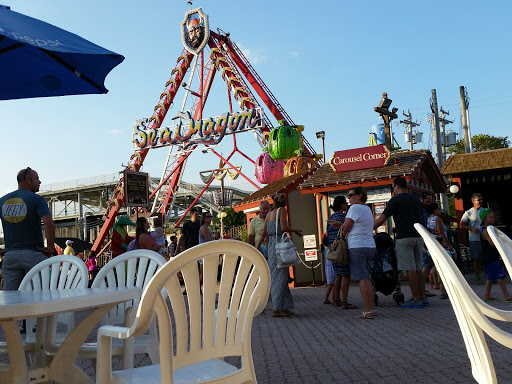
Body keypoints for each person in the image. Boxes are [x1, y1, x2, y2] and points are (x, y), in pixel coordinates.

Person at [374, 177, 427, 309]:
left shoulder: (395, 200)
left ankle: (415, 299)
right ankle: (423, 297)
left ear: (397, 187)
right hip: (417, 236)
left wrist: (367, 229)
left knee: (410, 268)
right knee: (418, 267)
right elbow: (420, 218)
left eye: (393, 188)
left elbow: (382, 219)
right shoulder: (415, 199)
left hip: (404, 238)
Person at [0, 167, 55, 291]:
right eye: (37, 179)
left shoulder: (2, 201)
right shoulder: (37, 199)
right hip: (34, 255)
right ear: (28, 181)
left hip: (11, 256)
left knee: (11, 297)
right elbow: (49, 223)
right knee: (39, 296)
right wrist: (50, 247)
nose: (39, 182)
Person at [256, 193, 303, 318]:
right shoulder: (282, 211)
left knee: (278, 276)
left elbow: (263, 234)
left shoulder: (269, 214)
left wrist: (257, 247)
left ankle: (284, 306)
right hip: (280, 245)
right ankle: (276, 309)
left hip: (271, 247)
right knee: (281, 278)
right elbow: (283, 227)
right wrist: (295, 230)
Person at [341, 187, 376, 319]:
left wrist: (341, 226)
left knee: (362, 278)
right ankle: (371, 308)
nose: (348, 198)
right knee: (367, 277)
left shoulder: (354, 208)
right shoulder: (367, 209)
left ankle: (368, 310)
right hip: (369, 245)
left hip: (357, 246)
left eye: (350, 195)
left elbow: (347, 227)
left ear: (359, 195)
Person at [326, 196, 355, 309]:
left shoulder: (330, 217)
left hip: (333, 250)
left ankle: (335, 299)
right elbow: (348, 229)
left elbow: (328, 234)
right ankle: (345, 301)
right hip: (343, 249)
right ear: (342, 205)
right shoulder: (344, 217)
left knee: (337, 275)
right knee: (345, 275)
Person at [479, 209, 512, 302]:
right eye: (490, 217)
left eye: (493, 216)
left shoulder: (490, 229)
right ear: (484, 219)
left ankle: (487, 295)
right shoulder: (485, 231)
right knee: (500, 276)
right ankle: (506, 296)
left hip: (489, 257)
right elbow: (492, 243)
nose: (493, 218)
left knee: (491, 277)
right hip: (490, 257)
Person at [426, 202, 454, 299]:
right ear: (435, 210)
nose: (440, 211)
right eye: (438, 209)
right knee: (443, 266)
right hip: (440, 243)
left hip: (432, 243)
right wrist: (449, 245)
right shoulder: (437, 219)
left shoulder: (428, 219)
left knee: (434, 265)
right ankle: (443, 287)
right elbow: (441, 232)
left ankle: (435, 283)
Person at [460, 193, 484, 284]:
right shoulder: (468, 212)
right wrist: (471, 228)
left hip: (484, 237)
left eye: (481, 199)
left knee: (486, 257)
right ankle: (477, 277)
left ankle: (490, 275)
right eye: (479, 200)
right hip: (474, 238)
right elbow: (461, 225)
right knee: (476, 259)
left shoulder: (485, 210)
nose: (480, 201)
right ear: (473, 201)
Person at [321, 233, 335, 304]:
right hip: (332, 266)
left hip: (328, 266)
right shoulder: (331, 248)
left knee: (330, 284)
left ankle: (327, 298)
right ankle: (333, 299)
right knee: (334, 284)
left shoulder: (326, 249)